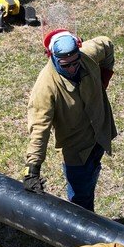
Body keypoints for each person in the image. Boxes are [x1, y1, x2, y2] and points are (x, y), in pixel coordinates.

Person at [22, 28, 116, 211]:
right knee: (81, 201)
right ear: (52, 57)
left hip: (100, 133)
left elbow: (107, 44)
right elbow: (39, 128)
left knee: (92, 174)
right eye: (65, 65)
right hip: (76, 150)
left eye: (75, 62)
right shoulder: (45, 87)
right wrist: (32, 169)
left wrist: (104, 78)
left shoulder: (86, 55)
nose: (72, 68)